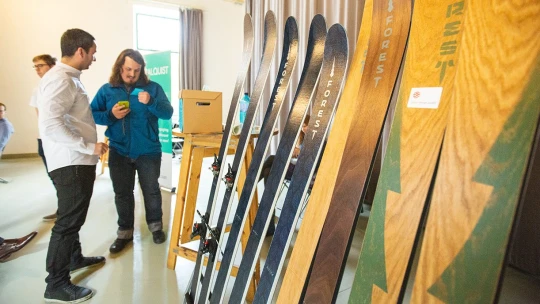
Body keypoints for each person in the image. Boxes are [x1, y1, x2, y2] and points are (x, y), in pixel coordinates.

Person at [37, 28, 109, 303]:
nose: (93, 58)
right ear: (80, 51)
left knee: (73, 215)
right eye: (92, 53)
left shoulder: (66, 78)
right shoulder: (61, 80)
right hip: (72, 163)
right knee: (68, 222)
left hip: (76, 161)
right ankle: (55, 283)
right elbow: (50, 125)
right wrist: (89, 146)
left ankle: (74, 258)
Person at [91, 49, 173, 254]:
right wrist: (111, 115)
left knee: (151, 191)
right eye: (128, 69)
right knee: (122, 193)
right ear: (120, 67)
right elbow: (92, 114)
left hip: (148, 151)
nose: (132, 74)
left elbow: (168, 112)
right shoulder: (107, 90)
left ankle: (156, 227)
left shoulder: (152, 88)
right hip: (119, 150)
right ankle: (125, 232)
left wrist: (151, 102)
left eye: (137, 70)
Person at [30, 54, 58, 221]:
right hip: (45, 139)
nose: (38, 70)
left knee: (61, 176)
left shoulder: (61, 85)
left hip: (58, 140)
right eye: (36, 67)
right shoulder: (37, 89)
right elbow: (39, 115)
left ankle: (65, 209)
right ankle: (62, 208)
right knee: (52, 174)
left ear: (52, 65)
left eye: (41, 65)